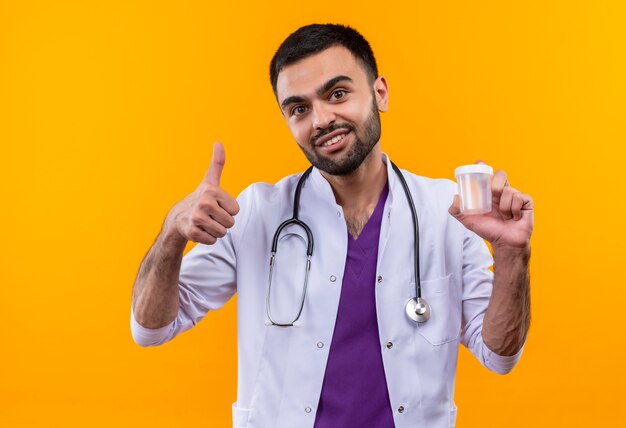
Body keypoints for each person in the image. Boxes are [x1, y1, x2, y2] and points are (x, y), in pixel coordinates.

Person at [130, 23, 533, 428]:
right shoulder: (256, 212)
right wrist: (171, 236)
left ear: (380, 93)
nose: (321, 120)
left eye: (337, 94)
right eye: (299, 109)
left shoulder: (449, 212)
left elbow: (499, 355)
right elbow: (151, 329)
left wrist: (513, 255)